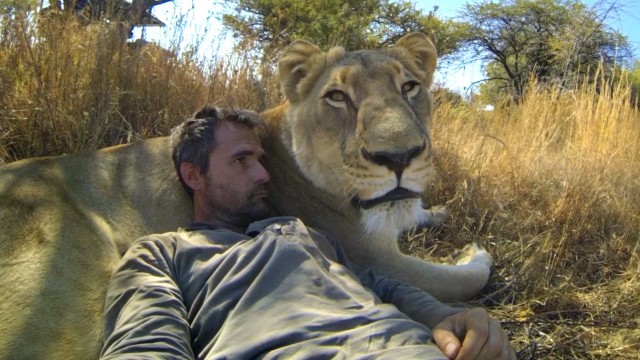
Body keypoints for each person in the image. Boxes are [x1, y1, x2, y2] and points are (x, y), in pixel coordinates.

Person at [100, 105, 516, 360]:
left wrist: (447, 317)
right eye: (242, 161)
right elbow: (145, 344)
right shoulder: (161, 252)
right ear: (193, 175)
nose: (264, 174)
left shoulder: (300, 232)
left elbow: (378, 285)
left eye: (262, 159)